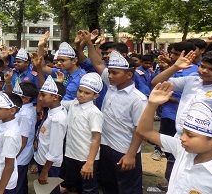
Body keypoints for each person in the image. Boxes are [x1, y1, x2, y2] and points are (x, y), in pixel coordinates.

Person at [137, 82, 212, 193]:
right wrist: (152, 104)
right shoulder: (183, 150)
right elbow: (144, 131)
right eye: (183, 133)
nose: (182, 138)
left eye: (190, 135)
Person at [151, 50, 212, 160]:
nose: (204, 71)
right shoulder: (192, 81)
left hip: (205, 152)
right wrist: (175, 67)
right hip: (180, 142)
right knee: (172, 175)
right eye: (202, 66)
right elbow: (156, 82)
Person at [84, 30, 147, 194]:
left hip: (124, 151)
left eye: (114, 73)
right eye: (109, 72)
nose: (109, 76)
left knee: (127, 189)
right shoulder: (112, 86)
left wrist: (131, 155)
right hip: (105, 147)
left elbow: (140, 130)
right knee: (108, 186)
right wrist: (89, 43)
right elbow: (98, 63)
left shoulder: (137, 99)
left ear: (129, 75)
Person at [150, 41, 197, 185]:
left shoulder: (194, 72)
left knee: (183, 153)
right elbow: (156, 82)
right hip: (169, 115)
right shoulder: (173, 69)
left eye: (177, 54)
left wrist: (171, 99)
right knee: (170, 150)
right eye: (173, 53)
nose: (173, 56)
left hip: (186, 121)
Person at [60, 73, 103, 194]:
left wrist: (90, 163)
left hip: (85, 157)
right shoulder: (74, 103)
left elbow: (96, 139)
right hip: (71, 154)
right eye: (80, 91)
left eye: (87, 93)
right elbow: (59, 102)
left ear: (96, 95)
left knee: (88, 188)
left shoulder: (94, 113)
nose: (81, 95)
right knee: (73, 186)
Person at [34, 76, 68, 194]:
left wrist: (45, 171)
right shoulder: (52, 110)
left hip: (49, 164)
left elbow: (55, 149)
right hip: (43, 159)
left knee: (50, 191)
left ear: (55, 97)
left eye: (43, 95)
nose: (39, 98)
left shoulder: (57, 119)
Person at [10, 80, 39, 194]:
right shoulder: (22, 109)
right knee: (21, 182)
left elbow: (23, 139)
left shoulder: (25, 114)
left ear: (26, 99)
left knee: (17, 184)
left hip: (20, 155)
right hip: (19, 153)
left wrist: (13, 157)